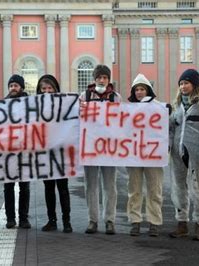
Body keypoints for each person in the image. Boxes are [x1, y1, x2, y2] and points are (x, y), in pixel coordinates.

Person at [169, 69, 199, 241]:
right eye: (181, 83)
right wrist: (167, 147)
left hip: (196, 154)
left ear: (194, 85)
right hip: (177, 153)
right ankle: (182, 223)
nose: (183, 86)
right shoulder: (177, 106)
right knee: (178, 187)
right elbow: (171, 128)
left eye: (186, 83)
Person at [79, 64, 121, 235]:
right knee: (91, 186)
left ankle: (110, 220)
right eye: (99, 77)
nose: (102, 80)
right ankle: (92, 220)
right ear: (94, 79)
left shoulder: (115, 97)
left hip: (109, 148)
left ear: (108, 80)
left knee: (110, 186)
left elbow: (123, 120)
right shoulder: (85, 95)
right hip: (90, 147)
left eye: (104, 77)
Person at [126, 73, 169, 237]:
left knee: (154, 190)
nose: (139, 92)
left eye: (142, 89)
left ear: (148, 90)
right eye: (136, 89)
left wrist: (167, 112)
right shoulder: (128, 109)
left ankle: (154, 222)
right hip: (134, 156)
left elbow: (166, 128)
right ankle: (135, 221)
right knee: (134, 190)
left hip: (153, 156)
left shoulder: (159, 108)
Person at [36, 74, 72, 233]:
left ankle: (66, 221)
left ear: (55, 89)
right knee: (48, 188)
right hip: (44, 154)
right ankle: (52, 220)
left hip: (61, 153)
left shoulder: (65, 105)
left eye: (49, 88)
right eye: (43, 89)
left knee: (63, 188)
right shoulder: (33, 107)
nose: (46, 91)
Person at [3, 74, 31, 229]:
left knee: (24, 187)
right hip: (7, 152)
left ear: (21, 88)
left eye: (16, 85)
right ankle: (10, 218)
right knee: (8, 187)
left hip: (25, 151)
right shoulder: (2, 105)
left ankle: (24, 218)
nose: (13, 88)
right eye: (11, 85)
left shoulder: (31, 104)